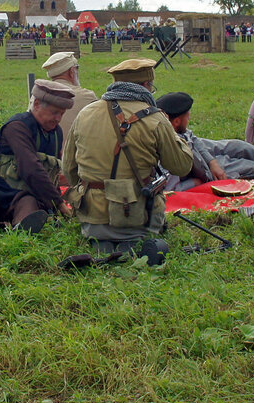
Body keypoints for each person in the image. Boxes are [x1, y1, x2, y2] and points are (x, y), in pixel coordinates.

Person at [62, 58, 193, 265]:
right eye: (151, 85)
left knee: (102, 243)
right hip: (139, 218)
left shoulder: (85, 113)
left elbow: (69, 168)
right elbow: (182, 165)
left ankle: (104, 246)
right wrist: (175, 134)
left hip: (93, 219)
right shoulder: (156, 119)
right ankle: (128, 247)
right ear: (144, 86)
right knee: (136, 244)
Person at [0, 80, 75, 238]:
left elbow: (52, 172)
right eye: (54, 112)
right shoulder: (17, 127)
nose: (58, 118)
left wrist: (55, 202)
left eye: (62, 114)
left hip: (23, 193)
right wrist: (58, 203)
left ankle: (22, 228)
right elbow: (31, 168)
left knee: (29, 202)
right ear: (36, 104)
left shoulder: (56, 133)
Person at [158, 91, 254, 191]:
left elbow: (193, 139)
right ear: (177, 121)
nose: (189, 117)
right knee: (250, 167)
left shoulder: (178, 132)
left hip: (200, 157)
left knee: (236, 145)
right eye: (187, 115)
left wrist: (213, 163)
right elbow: (171, 189)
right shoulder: (168, 149)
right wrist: (198, 183)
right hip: (199, 171)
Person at [27, 50, 98, 149]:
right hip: (74, 158)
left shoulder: (37, 96)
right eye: (77, 68)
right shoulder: (87, 96)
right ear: (72, 71)